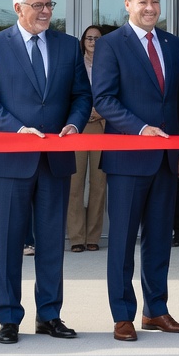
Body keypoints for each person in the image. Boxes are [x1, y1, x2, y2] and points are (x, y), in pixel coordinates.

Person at [0, 0, 92, 344]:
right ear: (18, 8)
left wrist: (74, 123)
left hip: (55, 159)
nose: (46, 12)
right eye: (38, 5)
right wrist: (17, 129)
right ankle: (9, 318)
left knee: (52, 241)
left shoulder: (68, 46)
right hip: (11, 159)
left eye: (50, 5)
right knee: (9, 242)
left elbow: (81, 95)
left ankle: (50, 315)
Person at [92, 0, 179, 342]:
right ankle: (123, 315)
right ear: (127, 4)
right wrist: (141, 129)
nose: (150, 8)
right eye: (142, 2)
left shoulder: (172, 43)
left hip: (167, 161)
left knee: (159, 239)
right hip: (127, 159)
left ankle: (156, 310)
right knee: (121, 242)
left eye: (155, 1)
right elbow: (104, 99)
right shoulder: (110, 45)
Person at [67, 25, 107, 253]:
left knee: (99, 184)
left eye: (97, 38)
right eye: (89, 38)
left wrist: (103, 112)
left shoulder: (110, 62)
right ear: (83, 41)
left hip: (101, 126)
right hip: (79, 128)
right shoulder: (74, 63)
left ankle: (93, 236)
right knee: (75, 183)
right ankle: (76, 238)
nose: (93, 42)